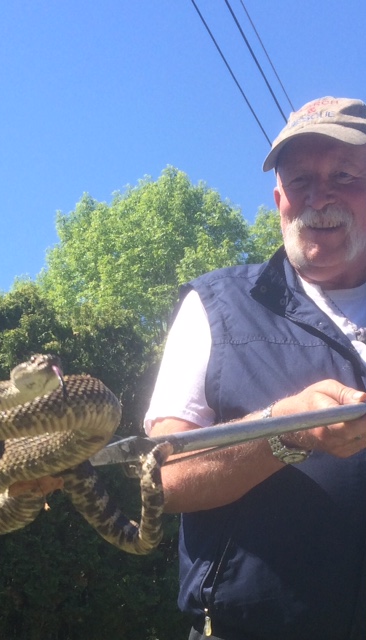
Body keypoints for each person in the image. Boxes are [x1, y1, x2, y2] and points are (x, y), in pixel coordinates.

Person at [145, 97, 366, 640]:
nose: (319, 199)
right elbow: (163, 475)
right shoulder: (215, 304)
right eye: (300, 182)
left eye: (344, 175)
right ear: (278, 200)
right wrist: (285, 433)